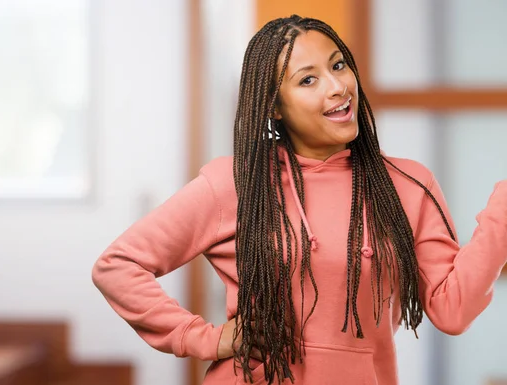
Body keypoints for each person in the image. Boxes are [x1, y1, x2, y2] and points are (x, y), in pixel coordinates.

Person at [92, 15, 507, 385]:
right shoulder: (236, 182)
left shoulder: (408, 184)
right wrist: (207, 338)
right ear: (275, 106)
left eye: (338, 65)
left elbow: (453, 310)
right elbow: (118, 266)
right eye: (308, 79)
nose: (337, 87)